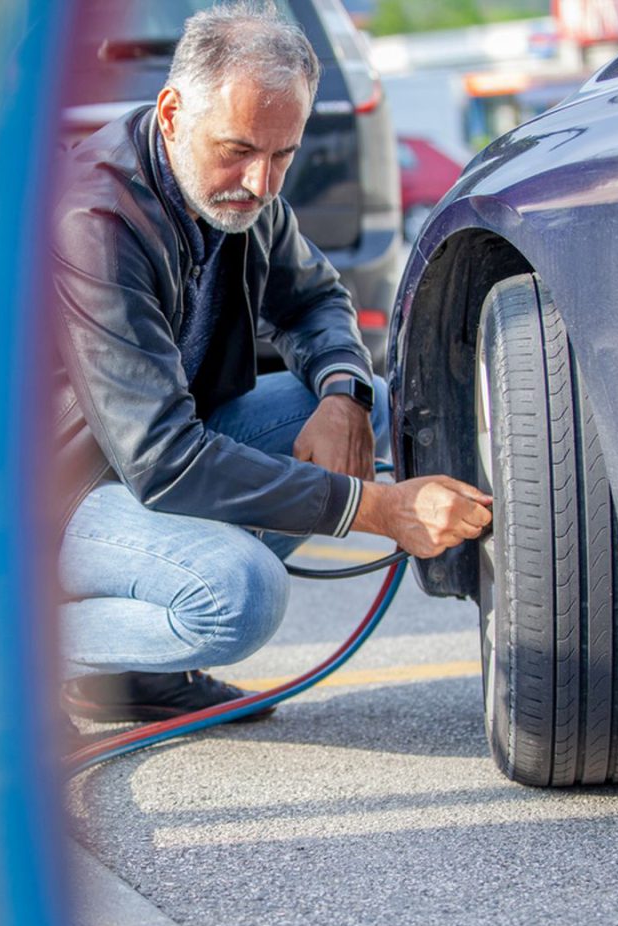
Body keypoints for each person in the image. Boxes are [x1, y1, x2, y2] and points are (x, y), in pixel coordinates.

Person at [52, 1, 490, 722]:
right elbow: (165, 460)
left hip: (163, 449)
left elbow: (315, 299)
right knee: (240, 594)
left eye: (282, 154)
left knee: (372, 403)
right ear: (170, 113)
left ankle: (144, 675)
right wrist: (375, 508)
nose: (261, 183)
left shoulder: (237, 195)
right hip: (66, 496)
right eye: (238, 150)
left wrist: (342, 392)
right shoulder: (95, 221)